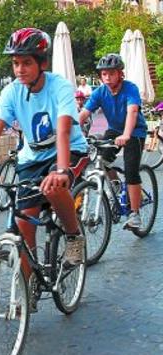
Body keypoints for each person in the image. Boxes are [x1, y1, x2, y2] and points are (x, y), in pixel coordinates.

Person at [0, 28, 88, 271]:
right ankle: (26, 295)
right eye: (15, 63)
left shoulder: (60, 87)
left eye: (26, 63)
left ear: (42, 63)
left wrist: (60, 169)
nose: (19, 69)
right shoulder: (11, 91)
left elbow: (63, 130)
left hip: (69, 150)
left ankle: (73, 235)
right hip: (33, 157)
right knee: (23, 223)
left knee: (53, 186)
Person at [79, 53, 148, 229]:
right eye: (104, 74)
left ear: (120, 74)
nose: (107, 78)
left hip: (135, 132)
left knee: (131, 170)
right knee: (101, 158)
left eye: (111, 73)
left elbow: (132, 112)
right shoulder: (99, 92)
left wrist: (126, 135)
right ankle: (116, 185)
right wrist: (70, 132)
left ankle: (134, 214)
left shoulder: (130, 88)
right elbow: (84, 114)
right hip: (114, 131)